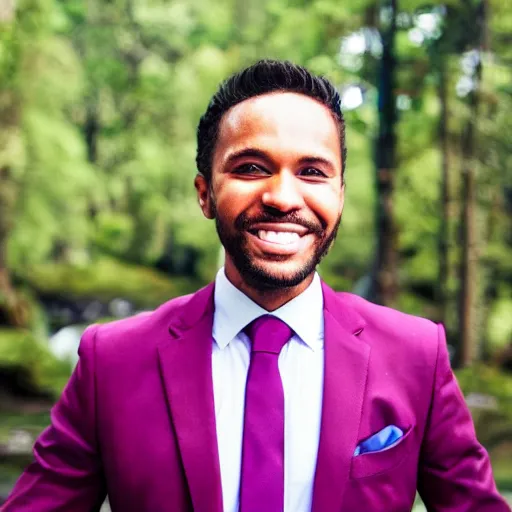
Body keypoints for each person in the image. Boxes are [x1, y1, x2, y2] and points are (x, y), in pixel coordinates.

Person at [3, 60, 509, 512]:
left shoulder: (417, 354)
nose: (282, 197)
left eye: (312, 171)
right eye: (251, 168)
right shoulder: (110, 362)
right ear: (205, 193)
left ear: (339, 195)